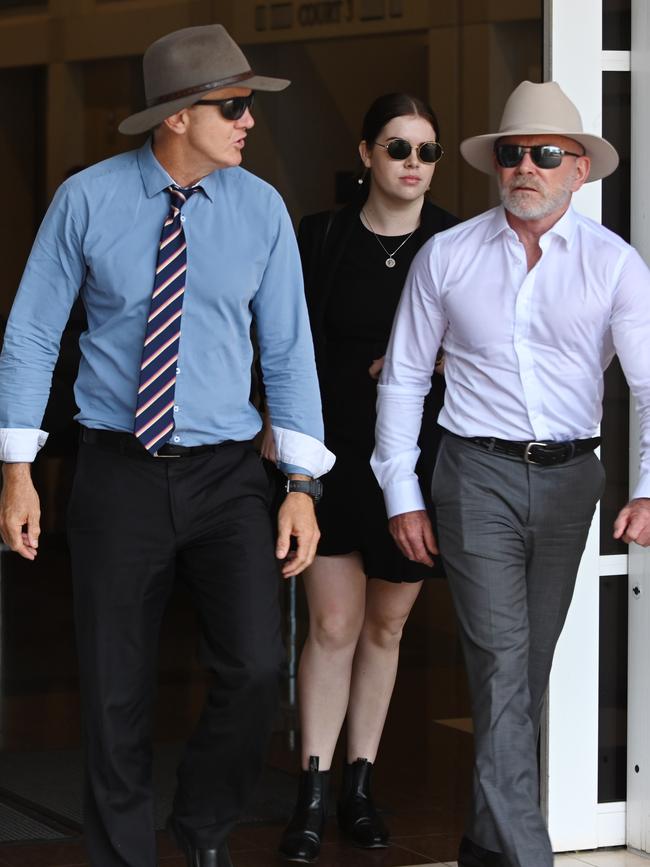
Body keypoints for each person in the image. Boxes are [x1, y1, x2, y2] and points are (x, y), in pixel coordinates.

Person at [0, 24, 334, 867]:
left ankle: (204, 827)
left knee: (258, 666)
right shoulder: (87, 199)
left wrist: (300, 482)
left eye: (247, 105)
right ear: (178, 117)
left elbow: (289, 349)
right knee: (114, 691)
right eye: (233, 106)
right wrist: (17, 471)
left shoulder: (260, 210)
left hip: (229, 476)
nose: (248, 121)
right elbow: (32, 335)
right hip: (115, 469)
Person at [371, 80, 650, 867]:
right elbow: (403, 380)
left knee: (523, 672)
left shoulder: (614, 266)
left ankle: (485, 845)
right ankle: (530, 857)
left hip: (570, 482)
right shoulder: (447, 256)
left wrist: (645, 486)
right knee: (500, 665)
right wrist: (402, 490)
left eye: (546, 154)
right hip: (474, 476)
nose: (525, 166)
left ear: (579, 170)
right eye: (512, 152)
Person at [272, 93, 457, 863]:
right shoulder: (323, 236)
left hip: (416, 461)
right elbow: (287, 341)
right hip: (335, 455)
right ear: (366, 154)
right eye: (398, 148)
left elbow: (496, 339)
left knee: (386, 627)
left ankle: (359, 785)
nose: (412, 164)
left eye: (425, 151)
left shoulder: (454, 241)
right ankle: (311, 791)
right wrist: (286, 445)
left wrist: (432, 362)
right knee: (334, 626)